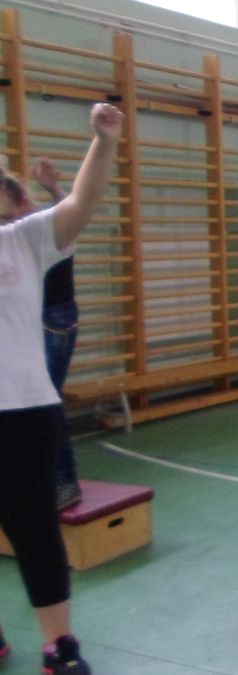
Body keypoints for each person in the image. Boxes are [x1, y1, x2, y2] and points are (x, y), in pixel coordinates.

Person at [0, 101, 123, 675]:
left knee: (34, 527)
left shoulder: (23, 241)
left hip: (23, 408)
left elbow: (80, 203)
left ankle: (59, 645)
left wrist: (104, 141)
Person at [0, 159, 81, 511]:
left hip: (54, 320)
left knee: (45, 400)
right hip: (40, 321)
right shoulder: (14, 232)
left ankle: (64, 482)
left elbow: (73, 214)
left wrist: (53, 188)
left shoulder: (33, 232)